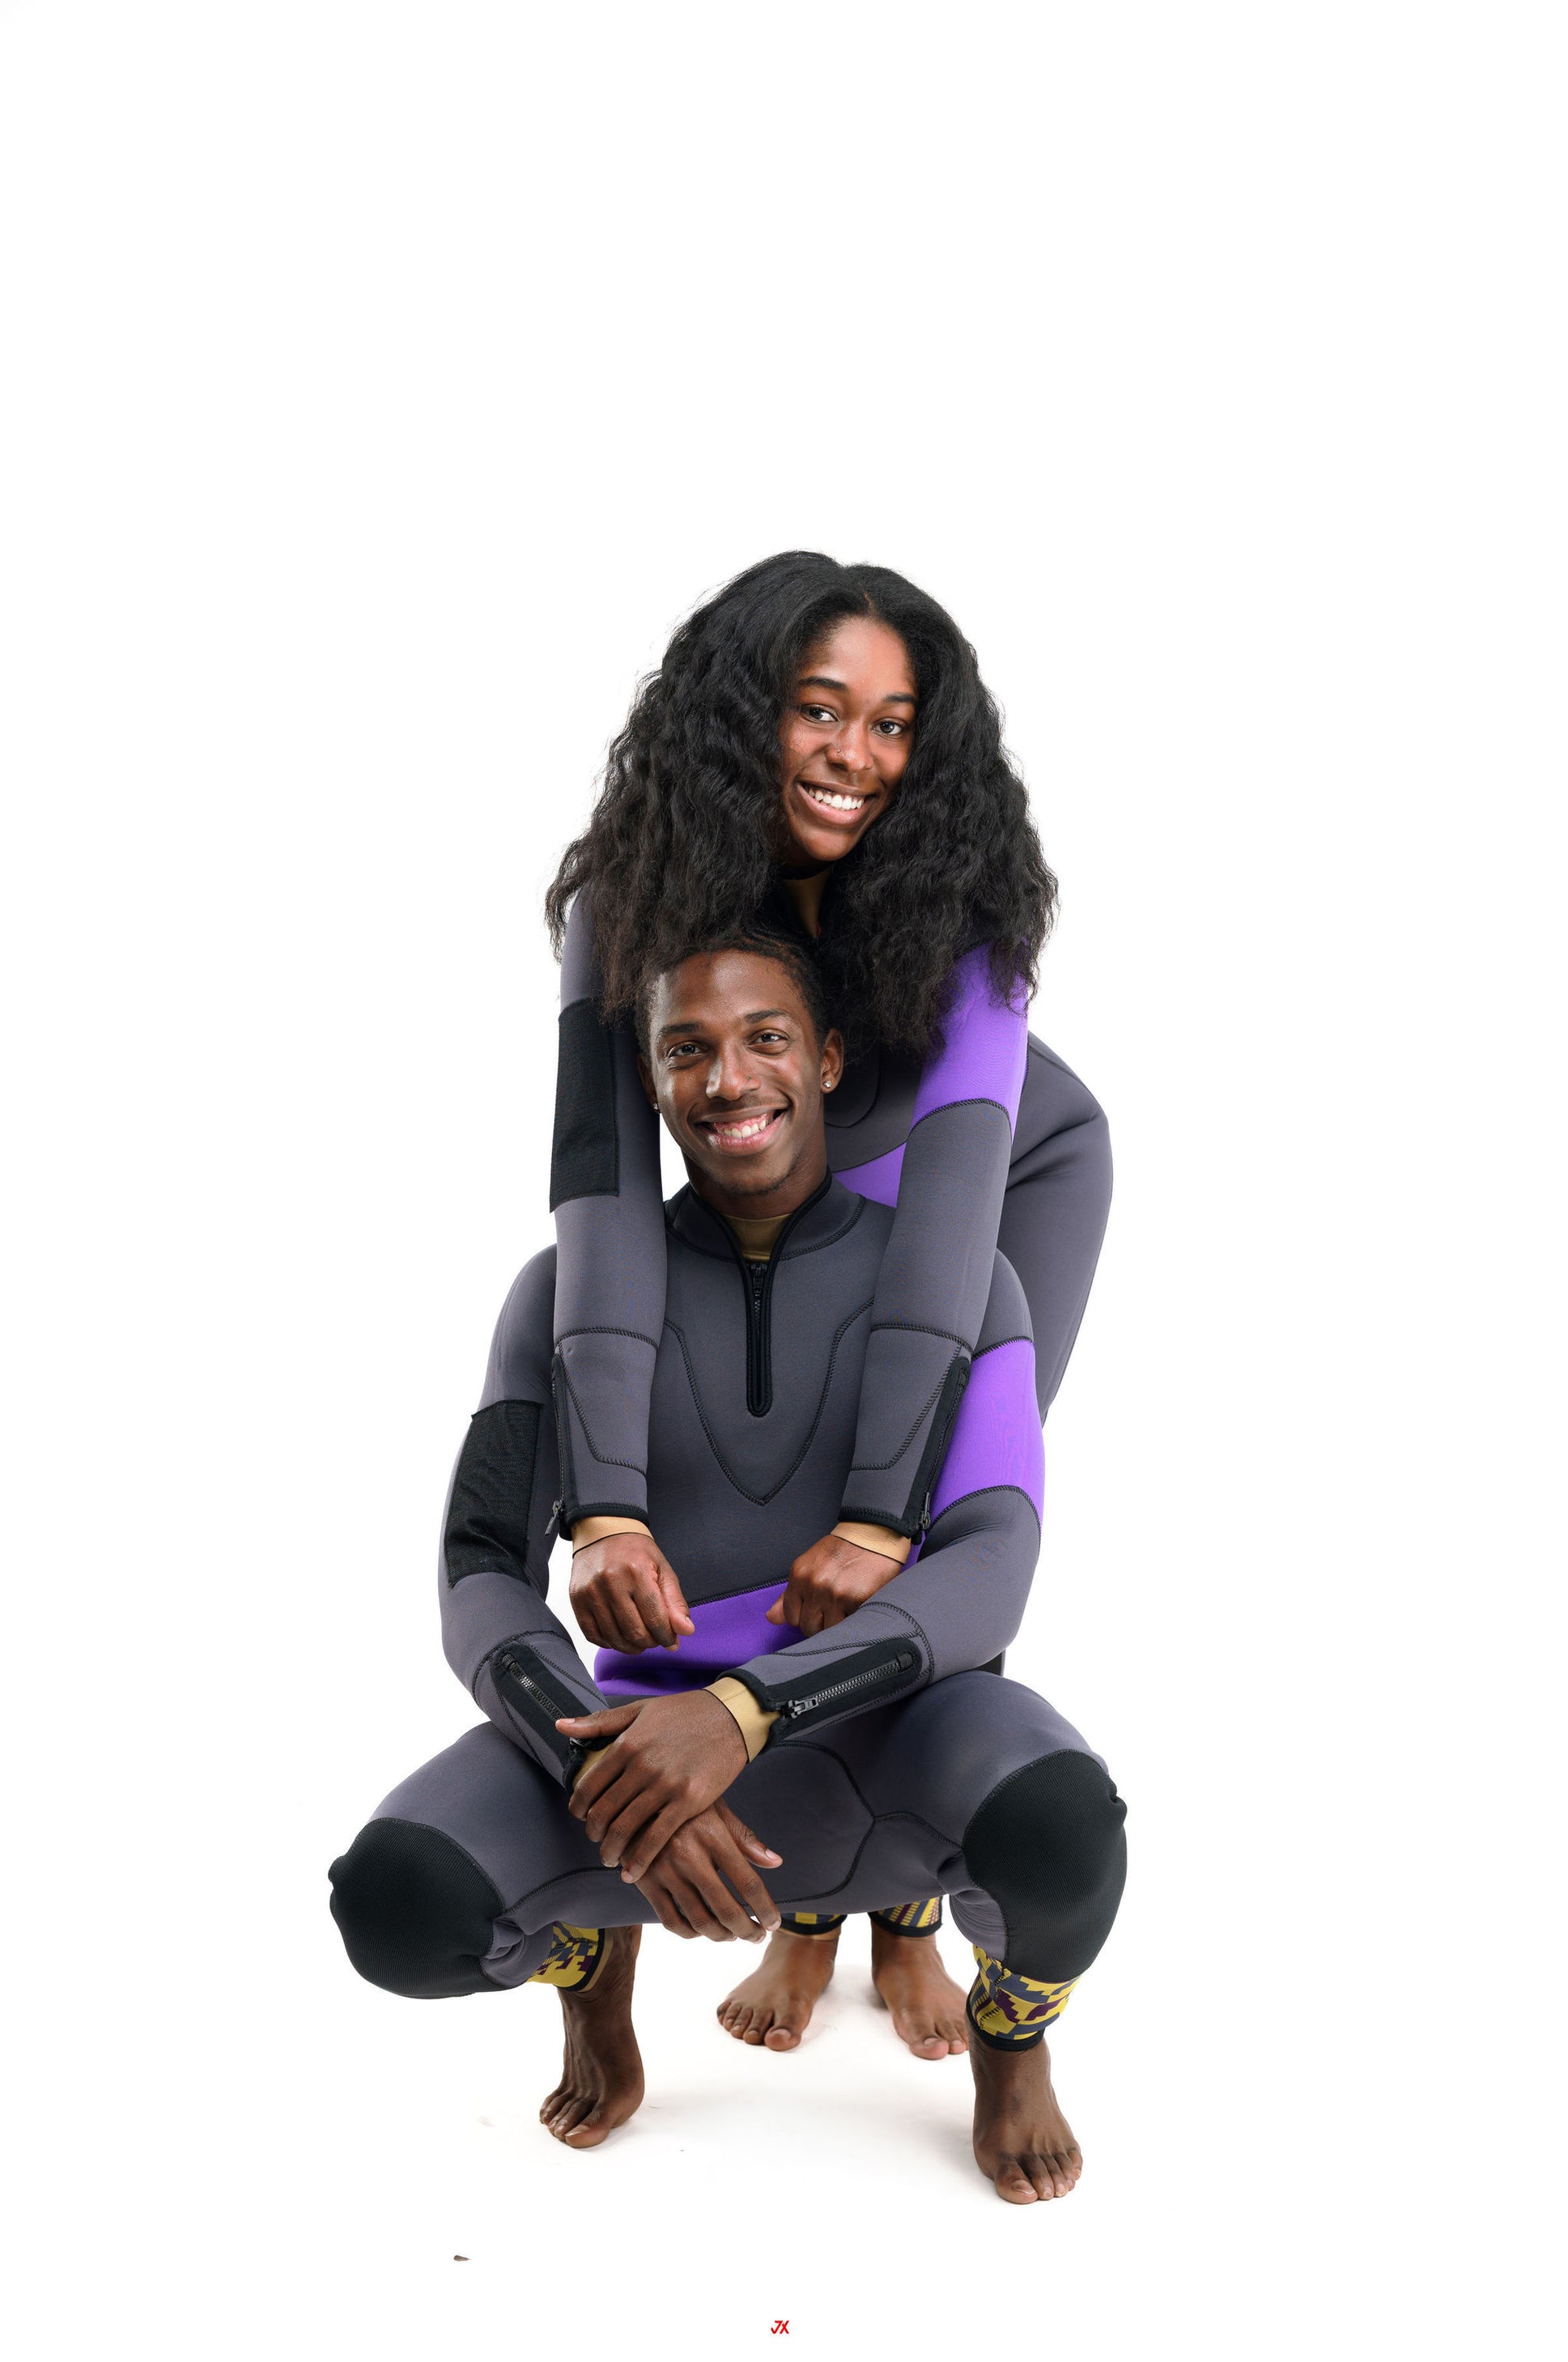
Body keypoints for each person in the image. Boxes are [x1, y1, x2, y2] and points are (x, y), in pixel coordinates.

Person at [329, 938, 1128, 2204]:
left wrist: (744, 1710)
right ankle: (589, 1968)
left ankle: (1012, 2035)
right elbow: (478, 1564)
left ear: (826, 1059)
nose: (726, 1076)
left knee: (1066, 1831)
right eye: (683, 1047)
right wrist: (601, 1762)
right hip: (639, 1764)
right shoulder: (557, 1296)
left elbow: (993, 1561)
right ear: (647, 1085)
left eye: (764, 1036)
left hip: (892, 1743)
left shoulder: (970, 1280)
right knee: (396, 1901)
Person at [544, 552, 1113, 2054]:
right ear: (747, 715)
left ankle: (909, 1905)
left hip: (1000, 1182)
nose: (854, 756)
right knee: (756, 1508)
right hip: (795, 1182)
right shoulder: (631, 893)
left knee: (927, 1519)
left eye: (891, 723)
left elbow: (950, 1199)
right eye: (818, 708)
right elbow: (602, 1187)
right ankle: (810, 1904)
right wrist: (601, 1504)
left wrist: (878, 1502)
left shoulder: (963, 902)